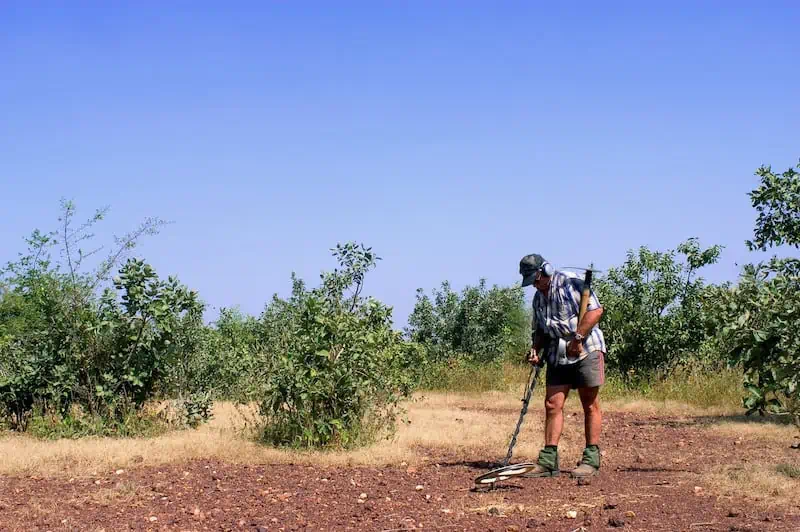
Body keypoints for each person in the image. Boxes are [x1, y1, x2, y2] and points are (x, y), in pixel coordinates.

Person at [518, 253, 606, 479]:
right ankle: (549, 461)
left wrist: (578, 339)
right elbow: (540, 329)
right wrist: (535, 349)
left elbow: (596, 311)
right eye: (531, 283)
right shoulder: (538, 299)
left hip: (586, 348)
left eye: (537, 280)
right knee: (552, 404)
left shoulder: (571, 283)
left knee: (589, 403)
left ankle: (591, 459)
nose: (535, 286)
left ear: (546, 270)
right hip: (558, 351)